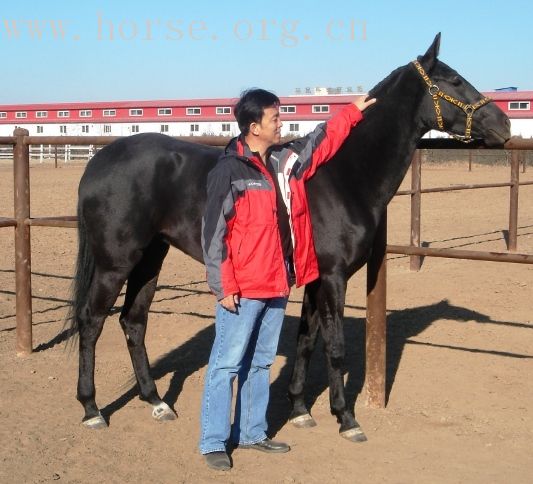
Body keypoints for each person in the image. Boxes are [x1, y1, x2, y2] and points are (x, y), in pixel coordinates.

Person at [200, 88, 376, 470]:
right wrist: (223, 285)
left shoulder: (285, 162)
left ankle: (252, 432)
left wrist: (351, 112)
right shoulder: (228, 171)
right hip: (243, 286)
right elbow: (213, 235)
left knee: (262, 362)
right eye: (275, 118)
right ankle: (213, 440)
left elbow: (321, 141)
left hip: (277, 283)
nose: (281, 123)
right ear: (253, 127)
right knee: (227, 364)